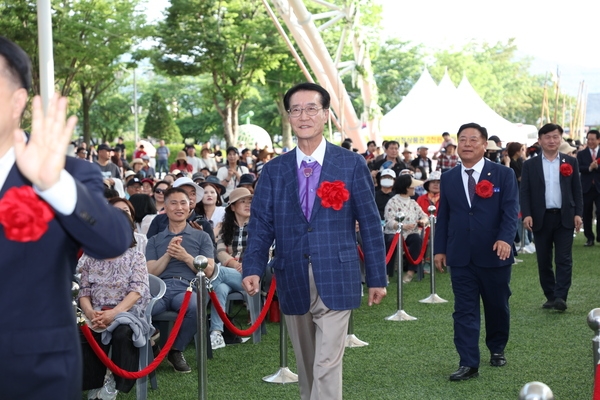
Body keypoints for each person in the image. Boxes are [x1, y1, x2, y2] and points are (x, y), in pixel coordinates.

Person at [0, 36, 131, 399]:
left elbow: (113, 239)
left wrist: (52, 184)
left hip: (33, 371)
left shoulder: (69, 174)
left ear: (17, 101)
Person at [242, 82, 387, 400]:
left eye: (311, 108)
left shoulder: (350, 164)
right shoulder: (274, 170)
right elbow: (261, 225)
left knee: (325, 364)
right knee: (307, 366)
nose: (303, 115)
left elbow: (370, 224)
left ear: (325, 115)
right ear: (289, 116)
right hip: (291, 273)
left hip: (338, 273)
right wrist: (252, 267)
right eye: (296, 109)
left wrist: (377, 276)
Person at [434, 122, 519, 381]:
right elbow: (444, 216)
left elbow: (509, 210)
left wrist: (505, 238)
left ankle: (496, 348)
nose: (467, 144)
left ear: (485, 145)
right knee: (464, 310)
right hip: (460, 255)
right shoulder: (448, 177)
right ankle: (468, 362)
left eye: (473, 139)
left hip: (495, 254)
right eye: (463, 139)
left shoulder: (503, 174)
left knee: (497, 306)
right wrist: (439, 250)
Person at [78, 210, 151, 399]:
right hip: (95, 311)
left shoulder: (135, 257)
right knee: (82, 331)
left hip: (128, 312)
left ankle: (117, 382)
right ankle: (94, 382)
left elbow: (136, 292)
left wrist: (114, 314)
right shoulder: (89, 257)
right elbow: (83, 291)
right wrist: (90, 312)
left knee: (123, 333)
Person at [146, 187, 216, 373]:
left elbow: (209, 271)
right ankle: (152, 345)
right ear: (165, 208)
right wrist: (169, 254)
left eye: (183, 202)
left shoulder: (202, 236)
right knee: (141, 308)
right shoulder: (155, 240)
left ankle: (176, 350)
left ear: (190, 206)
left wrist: (186, 257)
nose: (179, 207)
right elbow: (151, 271)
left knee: (195, 307)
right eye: (174, 203)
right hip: (160, 288)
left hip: (188, 288)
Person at [520, 123, 583, 311]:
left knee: (564, 258)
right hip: (541, 217)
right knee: (544, 259)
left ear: (561, 139)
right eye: (547, 137)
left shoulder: (570, 162)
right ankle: (550, 295)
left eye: (555, 137)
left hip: (565, 216)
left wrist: (578, 213)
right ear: (539, 141)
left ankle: (561, 297)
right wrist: (527, 214)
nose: (552, 140)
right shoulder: (530, 165)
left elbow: (577, 190)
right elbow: (525, 192)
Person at [209, 188, 253, 349]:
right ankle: (217, 333)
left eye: (250, 201)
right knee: (219, 287)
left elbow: (265, 251)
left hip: (253, 274)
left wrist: (247, 265)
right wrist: (234, 264)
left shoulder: (259, 225)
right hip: (231, 272)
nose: (247, 204)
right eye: (243, 201)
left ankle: (198, 311)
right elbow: (220, 252)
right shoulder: (224, 227)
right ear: (232, 207)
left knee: (216, 272)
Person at [383, 175, 429, 283]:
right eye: (412, 187)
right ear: (407, 187)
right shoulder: (392, 202)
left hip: (410, 232)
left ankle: (410, 272)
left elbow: (424, 215)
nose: (415, 189)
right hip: (394, 233)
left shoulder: (413, 202)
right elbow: (389, 221)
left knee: (416, 239)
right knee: (391, 241)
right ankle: (386, 274)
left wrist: (423, 221)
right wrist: (401, 226)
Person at [576, 129, 600, 247]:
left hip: (599, 187)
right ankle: (589, 237)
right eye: (588, 139)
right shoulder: (581, 153)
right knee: (586, 213)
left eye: (593, 139)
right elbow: (579, 168)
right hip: (586, 188)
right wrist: (590, 168)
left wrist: (597, 167)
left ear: (598, 140)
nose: (590, 141)